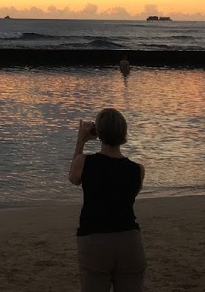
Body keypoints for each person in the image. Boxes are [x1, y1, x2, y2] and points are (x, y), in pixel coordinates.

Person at [69, 108, 145, 292]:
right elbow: (128, 196)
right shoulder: (137, 170)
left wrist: (81, 140)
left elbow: (73, 178)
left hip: (94, 239)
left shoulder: (85, 162)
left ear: (99, 133)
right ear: (123, 133)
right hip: (130, 240)